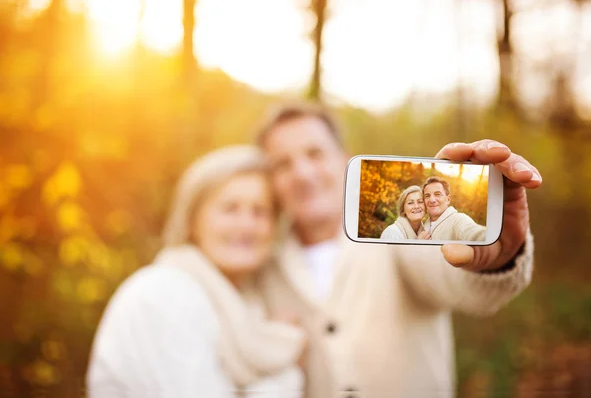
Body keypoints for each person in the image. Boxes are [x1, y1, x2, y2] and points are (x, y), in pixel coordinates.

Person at [254, 101, 541, 398]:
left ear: (344, 159)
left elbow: (464, 286)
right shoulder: (261, 265)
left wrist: (498, 257)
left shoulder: (399, 236)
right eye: (282, 164)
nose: (301, 173)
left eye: (315, 154)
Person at [86, 146, 306, 398]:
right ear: (192, 221)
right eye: (230, 208)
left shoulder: (248, 307)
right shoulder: (165, 294)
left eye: (260, 211)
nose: (247, 225)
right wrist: (286, 374)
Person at [422, 176, 486, 241]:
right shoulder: (423, 226)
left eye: (438, 194)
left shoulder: (458, 219)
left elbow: (475, 233)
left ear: (448, 199)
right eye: (427, 196)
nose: (432, 200)